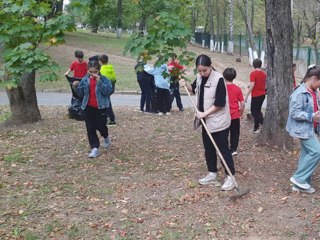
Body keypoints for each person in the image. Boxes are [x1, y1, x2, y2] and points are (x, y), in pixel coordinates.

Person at [179, 54, 237, 191]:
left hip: (219, 121)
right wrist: (185, 85)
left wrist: (204, 114)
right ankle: (212, 173)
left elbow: (220, 103)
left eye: (204, 70)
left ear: (210, 66)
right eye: (199, 70)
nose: (202, 73)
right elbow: (193, 90)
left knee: (222, 149)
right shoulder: (199, 78)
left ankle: (231, 177)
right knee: (209, 148)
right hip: (205, 121)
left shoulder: (219, 80)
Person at [286, 65, 320, 194]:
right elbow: (294, 113)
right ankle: (298, 178)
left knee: (307, 154)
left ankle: (302, 184)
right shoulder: (299, 93)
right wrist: (312, 116)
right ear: (314, 78)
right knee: (317, 151)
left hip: (310, 128)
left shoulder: (314, 91)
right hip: (302, 129)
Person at [72, 60, 113, 158]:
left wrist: (99, 82)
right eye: (90, 72)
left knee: (101, 126)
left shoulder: (104, 79)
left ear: (99, 70)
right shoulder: (85, 80)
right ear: (87, 71)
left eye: (95, 72)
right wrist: (75, 87)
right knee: (90, 128)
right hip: (88, 107)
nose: (93, 74)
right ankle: (95, 148)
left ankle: (105, 136)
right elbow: (81, 94)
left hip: (101, 107)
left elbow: (108, 91)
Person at [223, 68, 245, 156]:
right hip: (235, 115)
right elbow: (242, 104)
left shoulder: (222, 88)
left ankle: (224, 148)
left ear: (224, 76)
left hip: (224, 114)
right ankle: (233, 149)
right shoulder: (237, 89)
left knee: (224, 132)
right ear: (234, 77)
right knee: (235, 132)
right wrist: (241, 113)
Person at [244, 58, 266, 133]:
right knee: (258, 111)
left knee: (254, 112)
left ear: (253, 65)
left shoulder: (253, 73)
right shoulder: (264, 73)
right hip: (262, 94)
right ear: (261, 65)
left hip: (256, 95)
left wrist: (246, 95)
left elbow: (252, 85)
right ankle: (259, 126)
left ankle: (259, 126)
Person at [98, 54, 117, 126]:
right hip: (111, 87)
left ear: (100, 61)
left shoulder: (102, 70)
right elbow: (114, 79)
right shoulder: (111, 68)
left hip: (105, 89)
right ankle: (106, 117)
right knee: (106, 102)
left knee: (107, 103)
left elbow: (101, 80)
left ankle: (112, 119)